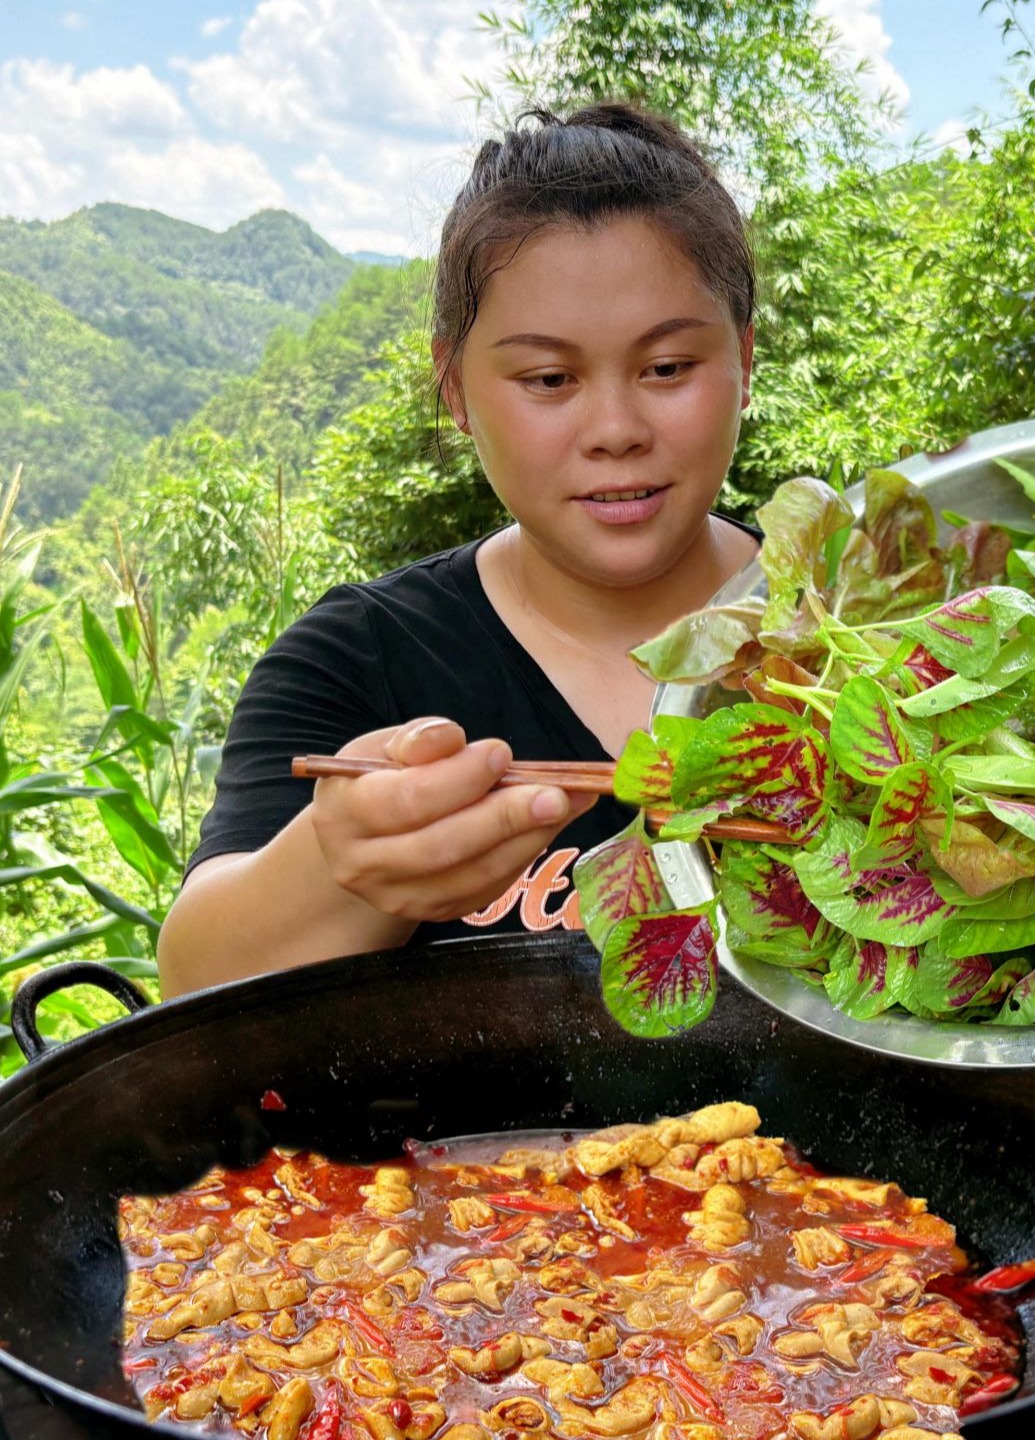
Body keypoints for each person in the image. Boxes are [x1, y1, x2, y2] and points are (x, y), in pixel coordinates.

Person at [157, 102, 762, 996]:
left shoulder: (870, 630)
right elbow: (193, 982)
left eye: (667, 368)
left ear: (745, 360)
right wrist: (341, 865)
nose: (616, 429)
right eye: (548, 379)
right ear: (456, 389)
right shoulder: (361, 660)